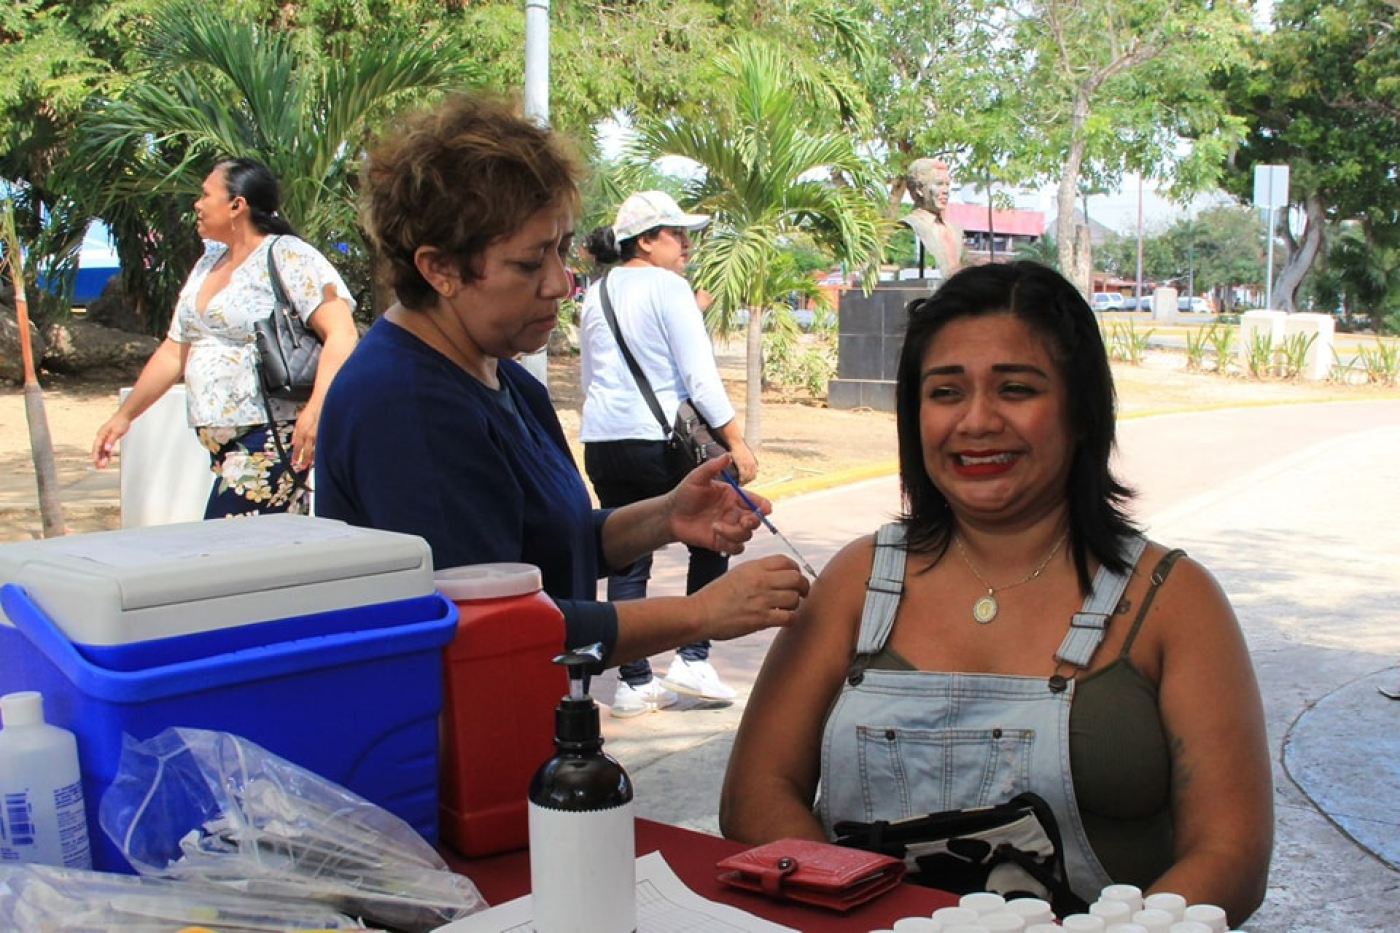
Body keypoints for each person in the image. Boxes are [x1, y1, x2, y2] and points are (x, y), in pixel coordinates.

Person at [719, 261, 1273, 926]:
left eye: (1016, 388)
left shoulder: (1175, 603)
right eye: (946, 392)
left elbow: (1232, 851)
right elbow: (756, 796)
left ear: (1081, 411)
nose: (977, 421)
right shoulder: (854, 583)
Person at [315, 93, 809, 674]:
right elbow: (500, 630)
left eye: (561, 249)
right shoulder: (406, 407)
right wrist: (699, 614)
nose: (559, 282)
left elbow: (548, 546)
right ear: (439, 268)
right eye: (529, 263)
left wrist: (665, 516)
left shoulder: (506, 380)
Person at [91, 158, 359, 517]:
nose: (197, 205)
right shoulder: (208, 262)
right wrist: (124, 416)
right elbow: (176, 350)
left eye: (205, 195)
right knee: (258, 555)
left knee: (224, 544)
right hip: (223, 448)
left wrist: (316, 410)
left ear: (237, 205)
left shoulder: (287, 255)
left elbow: (341, 332)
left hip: (271, 434)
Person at [579, 192, 760, 717]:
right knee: (716, 528)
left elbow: (592, 376)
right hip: (661, 439)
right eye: (675, 233)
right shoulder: (670, 287)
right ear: (644, 241)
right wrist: (735, 442)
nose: (686, 243)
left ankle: (634, 683)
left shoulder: (598, 292)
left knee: (628, 556)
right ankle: (692, 656)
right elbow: (699, 376)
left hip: (605, 438)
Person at [899, 157, 964, 280]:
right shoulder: (910, 224)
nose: (945, 191)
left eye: (947, 184)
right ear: (919, 189)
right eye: (939, 184)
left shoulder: (955, 230)